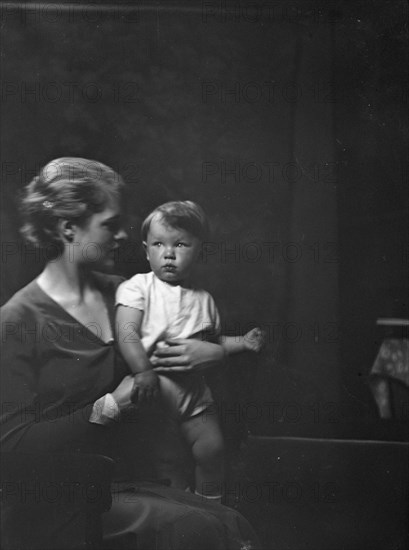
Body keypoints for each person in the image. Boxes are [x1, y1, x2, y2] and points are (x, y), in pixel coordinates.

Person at [0, 158, 261, 550]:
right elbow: (10, 448)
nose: (123, 236)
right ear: (68, 228)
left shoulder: (126, 292)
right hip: (57, 502)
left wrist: (209, 354)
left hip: (127, 482)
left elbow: (183, 360)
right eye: (110, 224)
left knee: (230, 521)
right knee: (202, 530)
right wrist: (107, 407)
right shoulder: (18, 319)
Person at [116, 201, 264, 502]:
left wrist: (242, 343)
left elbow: (211, 342)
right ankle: (181, 512)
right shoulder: (139, 287)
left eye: (180, 244)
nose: (168, 253)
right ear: (146, 250)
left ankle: (211, 507)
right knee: (167, 460)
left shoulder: (203, 299)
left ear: (200, 251)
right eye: (158, 244)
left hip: (195, 394)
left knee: (213, 450)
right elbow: (126, 331)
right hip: (156, 390)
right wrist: (143, 371)